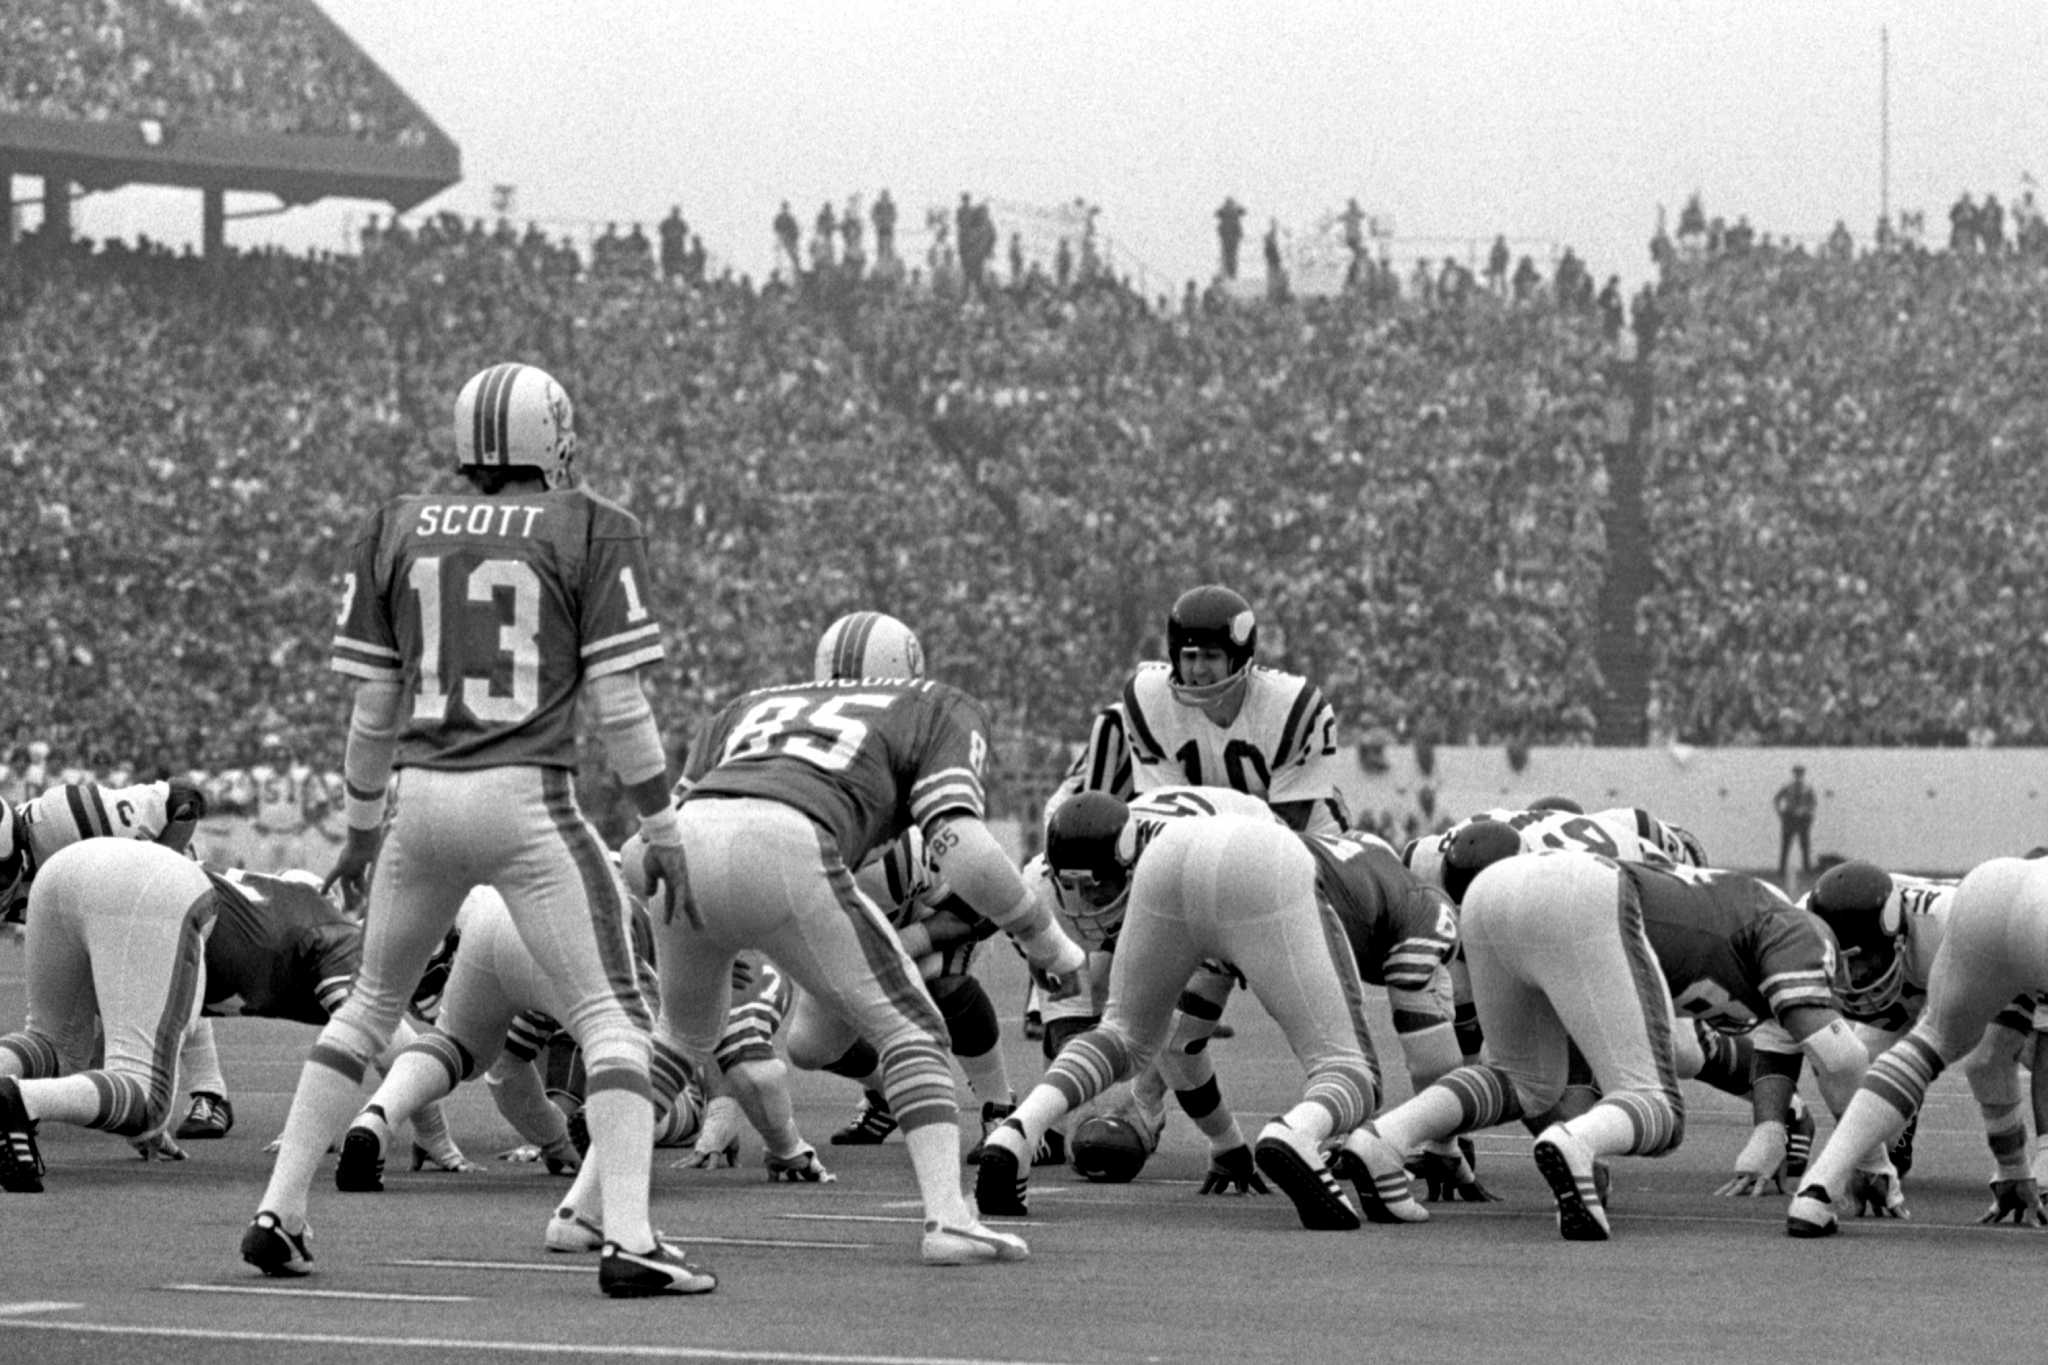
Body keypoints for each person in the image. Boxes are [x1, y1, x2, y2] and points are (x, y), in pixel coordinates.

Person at [238, 362, 715, 1297]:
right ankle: (629, 1237)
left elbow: (374, 707)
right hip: (525, 795)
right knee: (613, 1020)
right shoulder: (590, 523)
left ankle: (278, 1209)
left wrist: (364, 824)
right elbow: (620, 702)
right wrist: (661, 822)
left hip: (419, 797)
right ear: (556, 438)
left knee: (371, 1006)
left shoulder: (395, 523)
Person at [633, 609, 1087, 1266]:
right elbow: (964, 848)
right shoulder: (932, 706)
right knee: (913, 1027)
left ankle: (598, 1204)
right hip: (795, 849)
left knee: (681, 1038)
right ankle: (949, 1218)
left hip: (687, 851)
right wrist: (1050, 945)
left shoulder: (750, 704)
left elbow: (640, 846)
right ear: (910, 667)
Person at [1340, 833, 1867, 1241]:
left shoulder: (1731, 915)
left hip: (1491, 891)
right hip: (1588, 894)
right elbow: (1840, 1057)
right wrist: (1870, 1160)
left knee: (1524, 1081)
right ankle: (1574, 1143)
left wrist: (1770, 1130)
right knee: (1656, 1107)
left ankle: (1383, 1142)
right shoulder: (1797, 929)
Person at [977, 788, 1382, 1232]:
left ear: (1125, 863)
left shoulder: (1041, 886)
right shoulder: (1059, 878)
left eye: (1098, 887)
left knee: (1123, 1036)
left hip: (1204, 852)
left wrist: (1224, 1141)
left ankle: (1016, 1131)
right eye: (1070, 887)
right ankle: (1302, 1133)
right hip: (1250, 865)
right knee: (1346, 1066)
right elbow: (1080, 1022)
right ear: (1051, 872)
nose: (1084, 903)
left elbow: (1176, 1043)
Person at [1787, 854, 2048, 1237]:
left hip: (1988, 887)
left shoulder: (1933, 925)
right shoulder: (1810, 927)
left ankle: (1816, 1191)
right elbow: (1992, 1058)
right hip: (2006, 910)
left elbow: (1986, 1059)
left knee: (1930, 1043)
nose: (1856, 974)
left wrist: (2013, 1168)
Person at [1773, 764, 1818, 884]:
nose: (1798, 776)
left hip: (1802, 819)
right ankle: (1781, 869)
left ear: (1803, 775)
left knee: (1805, 845)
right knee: (1785, 845)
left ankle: (1807, 868)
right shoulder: (1787, 787)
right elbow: (1776, 799)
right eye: (1797, 774)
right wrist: (1781, 813)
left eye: (1800, 774)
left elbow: (1813, 803)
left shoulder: (1807, 788)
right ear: (1794, 774)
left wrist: (1806, 811)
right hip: (1790, 818)